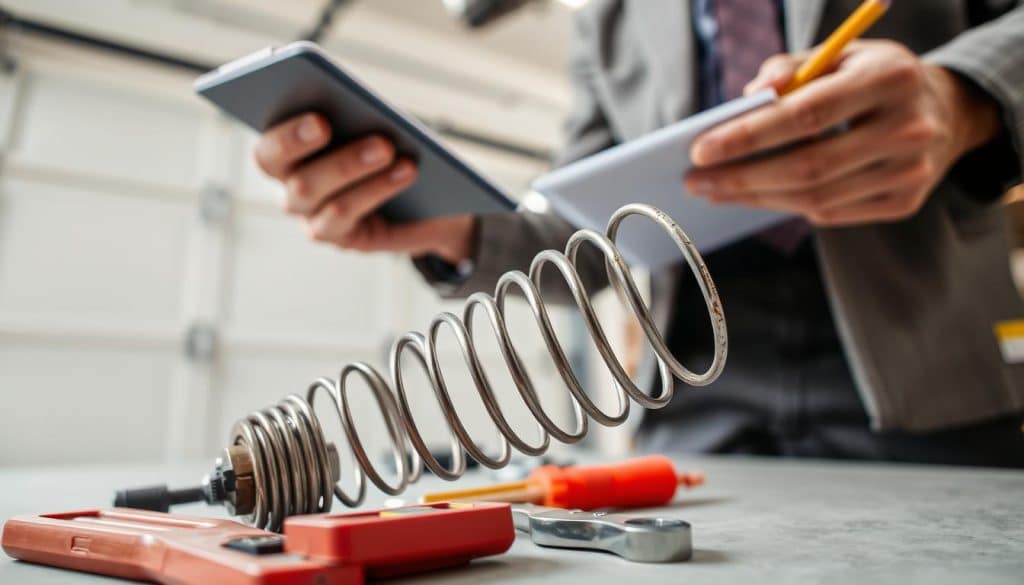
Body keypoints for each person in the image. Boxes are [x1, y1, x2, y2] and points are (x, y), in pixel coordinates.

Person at [253, 1, 1024, 467]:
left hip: (933, 372)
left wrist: (962, 99)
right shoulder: (607, 20)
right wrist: (452, 228)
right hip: (696, 394)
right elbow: (592, 231)